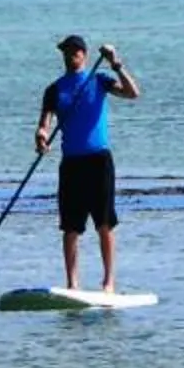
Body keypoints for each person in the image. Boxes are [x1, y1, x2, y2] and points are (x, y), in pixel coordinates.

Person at [35, 35, 141, 292]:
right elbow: (43, 125)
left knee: (104, 223)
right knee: (70, 228)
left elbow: (132, 93)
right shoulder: (54, 90)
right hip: (71, 163)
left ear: (84, 54)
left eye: (73, 51)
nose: (69, 55)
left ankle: (108, 282)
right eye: (65, 52)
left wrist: (116, 64)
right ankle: (72, 284)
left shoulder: (99, 80)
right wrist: (41, 137)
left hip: (99, 161)